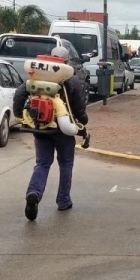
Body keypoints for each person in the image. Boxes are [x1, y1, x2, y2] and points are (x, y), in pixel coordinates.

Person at [14, 46, 89, 220]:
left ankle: (34, 193)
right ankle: (63, 201)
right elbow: (79, 108)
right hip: (64, 130)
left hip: (41, 127)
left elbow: (19, 94)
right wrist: (83, 124)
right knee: (66, 164)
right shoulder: (71, 79)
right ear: (67, 61)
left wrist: (19, 115)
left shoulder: (36, 77)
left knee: (42, 163)